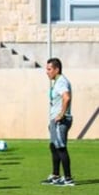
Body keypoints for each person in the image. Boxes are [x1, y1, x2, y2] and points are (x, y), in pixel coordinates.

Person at [41, 58, 75, 186]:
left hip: (61, 120)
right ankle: (55, 176)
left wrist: (61, 114)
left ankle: (68, 178)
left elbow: (67, 98)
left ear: (57, 69)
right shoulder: (57, 82)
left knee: (60, 147)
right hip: (55, 120)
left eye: (49, 69)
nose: (47, 72)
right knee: (53, 146)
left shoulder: (61, 82)